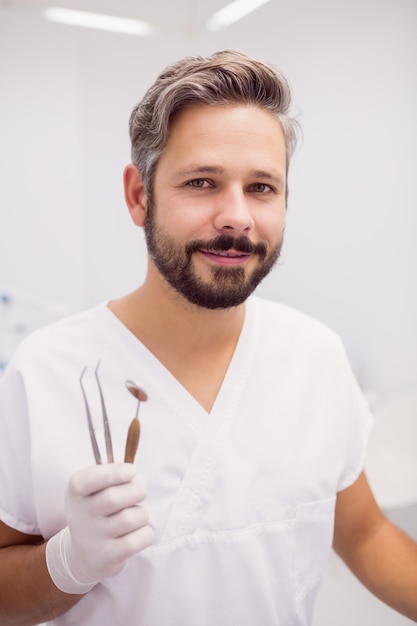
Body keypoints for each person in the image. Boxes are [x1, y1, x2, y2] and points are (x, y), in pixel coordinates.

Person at [0, 49, 416, 626]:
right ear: (138, 196)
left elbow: (367, 535)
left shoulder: (314, 355)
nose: (237, 216)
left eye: (263, 187)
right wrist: (65, 565)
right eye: (202, 182)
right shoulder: (45, 372)